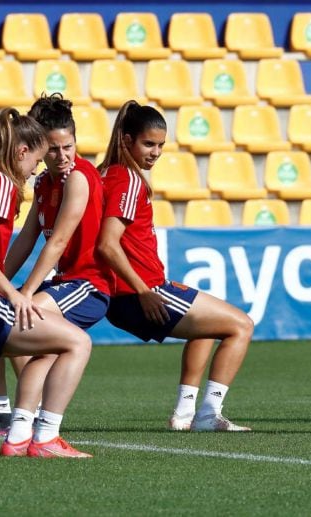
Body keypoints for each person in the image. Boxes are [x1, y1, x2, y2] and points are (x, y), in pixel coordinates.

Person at [0, 109, 94, 457]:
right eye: (37, 160)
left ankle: (18, 435)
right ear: (22, 152)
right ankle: (45, 438)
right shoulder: (2, 183)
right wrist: (12, 294)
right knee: (77, 343)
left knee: (49, 343)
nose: (37, 170)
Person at [96, 101, 255, 432]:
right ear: (127, 141)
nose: (155, 152)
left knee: (211, 324)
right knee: (241, 325)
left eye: (160, 146)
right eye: (148, 144)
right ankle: (209, 413)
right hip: (142, 291)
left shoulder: (106, 174)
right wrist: (144, 291)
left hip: (126, 292)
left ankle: (185, 414)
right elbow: (108, 244)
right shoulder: (127, 180)